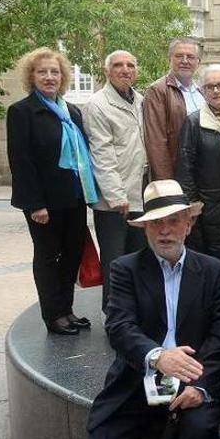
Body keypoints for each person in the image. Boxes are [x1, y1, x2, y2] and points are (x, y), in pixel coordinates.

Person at [82, 180, 220, 439]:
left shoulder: (215, 271)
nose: (165, 230)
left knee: (198, 438)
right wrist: (159, 356)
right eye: (156, 223)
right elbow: (120, 326)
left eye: (173, 221)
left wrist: (202, 388)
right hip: (136, 381)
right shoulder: (125, 269)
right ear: (145, 229)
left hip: (192, 381)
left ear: (188, 225)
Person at [7, 47, 96, 336]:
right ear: (31, 77)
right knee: (47, 258)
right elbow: (21, 161)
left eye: (54, 71)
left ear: (63, 76)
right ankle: (53, 315)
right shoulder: (22, 111)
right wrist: (35, 204)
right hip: (43, 203)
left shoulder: (72, 112)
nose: (49, 77)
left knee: (72, 255)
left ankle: (67, 310)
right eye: (42, 71)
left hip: (74, 196)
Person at [83, 50, 149, 312]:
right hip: (115, 201)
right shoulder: (97, 104)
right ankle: (113, 314)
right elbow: (102, 154)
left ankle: (132, 311)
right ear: (107, 71)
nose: (125, 70)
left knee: (138, 258)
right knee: (114, 261)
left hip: (139, 194)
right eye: (119, 65)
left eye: (130, 65)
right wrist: (116, 195)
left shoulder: (140, 100)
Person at [176, 65, 220, 294]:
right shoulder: (194, 122)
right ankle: (219, 304)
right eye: (209, 86)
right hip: (210, 201)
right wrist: (192, 203)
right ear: (202, 91)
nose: (216, 90)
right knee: (214, 257)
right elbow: (185, 165)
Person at [143, 38, 204, 179]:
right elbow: (156, 142)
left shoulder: (202, 91)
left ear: (198, 62)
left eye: (190, 57)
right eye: (179, 56)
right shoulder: (158, 90)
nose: (184, 61)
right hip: (177, 173)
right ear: (170, 59)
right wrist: (167, 183)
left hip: (202, 173)